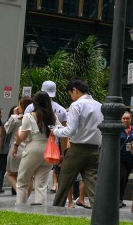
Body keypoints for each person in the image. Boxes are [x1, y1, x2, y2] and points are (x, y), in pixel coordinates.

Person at [52, 79, 103, 208]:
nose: (71, 96)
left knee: (64, 182)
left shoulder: (76, 105)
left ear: (75, 90)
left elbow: (71, 130)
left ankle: (56, 209)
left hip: (77, 149)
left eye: (71, 93)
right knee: (93, 184)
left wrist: (55, 131)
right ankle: (100, 213)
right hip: (95, 149)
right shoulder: (100, 105)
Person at [15, 91, 58, 205]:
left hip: (34, 147)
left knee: (22, 181)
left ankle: (20, 208)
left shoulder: (29, 116)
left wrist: (19, 130)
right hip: (49, 149)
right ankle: (40, 210)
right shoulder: (53, 116)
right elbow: (59, 131)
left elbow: (23, 137)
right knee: (41, 184)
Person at [118, 112, 133, 208]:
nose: (125, 120)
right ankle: (117, 199)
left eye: (127, 118)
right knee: (121, 177)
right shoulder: (118, 129)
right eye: (124, 118)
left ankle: (120, 198)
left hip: (130, 158)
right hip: (119, 158)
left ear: (131, 119)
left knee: (125, 179)